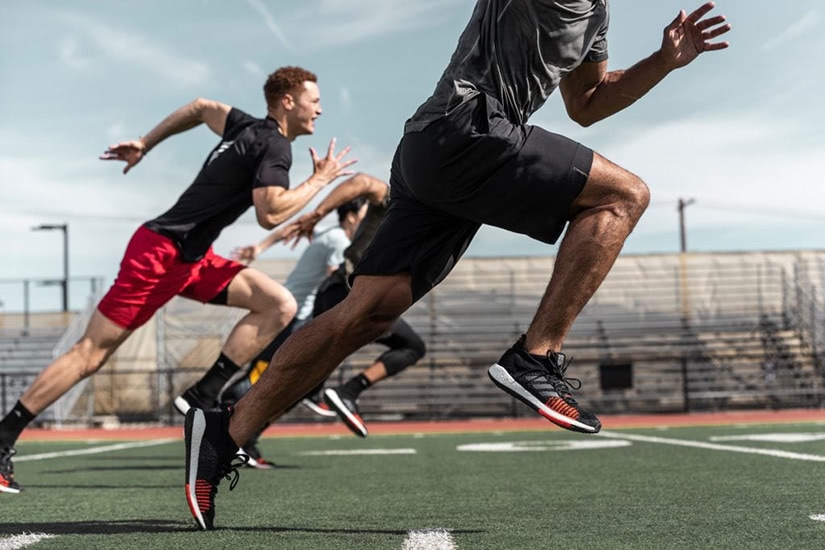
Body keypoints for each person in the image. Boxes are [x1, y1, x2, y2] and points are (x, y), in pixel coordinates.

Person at [183, 1, 731, 529]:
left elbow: (587, 102)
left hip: (444, 152)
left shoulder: (598, 12)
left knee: (368, 313)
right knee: (623, 196)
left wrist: (664, 61)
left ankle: (225, 431)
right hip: (465, 126)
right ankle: (535, 357)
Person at [0, 65, 355, 495]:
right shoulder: (276, 146)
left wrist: (145, 144)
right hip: (158, 255)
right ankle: (4, 436)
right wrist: (319, 180)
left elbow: (202, 107)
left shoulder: (246, 126)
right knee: (89, 355)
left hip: (190, 259)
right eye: (313, 100)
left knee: (278, 304)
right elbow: (270, 213)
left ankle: (203, 394)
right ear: (287, 102)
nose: (320, 108)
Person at [220, 173, 426, 450]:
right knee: (409, 346)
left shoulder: (423, 214)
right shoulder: (392, 203)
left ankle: (245, 435)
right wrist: (317, 213)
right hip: (346, 295)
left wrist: (261, 245)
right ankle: (345, 392)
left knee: (310, 377)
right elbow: (363, 182)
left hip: (347, 297)